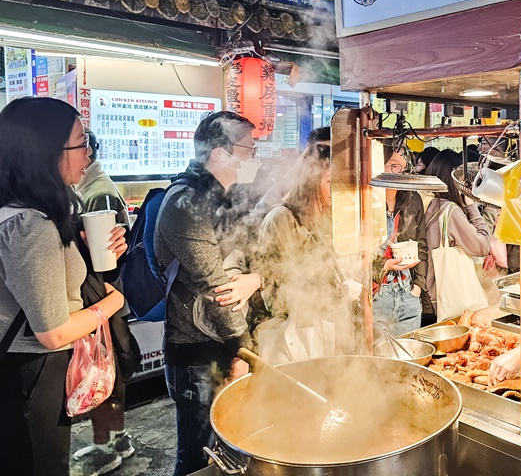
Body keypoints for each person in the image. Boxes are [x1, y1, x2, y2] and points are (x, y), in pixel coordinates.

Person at [0, 97, 126, 476]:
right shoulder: (30, 226)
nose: (89, 151)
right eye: (81, 140)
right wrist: (110, 304)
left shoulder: (29, 213)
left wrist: (86, 252)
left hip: (26, 371)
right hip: (31, 373)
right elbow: (53, 332)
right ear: (47, 152)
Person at [155, 111, 263, 476]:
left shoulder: (226, 197)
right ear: (220, 153)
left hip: (225, 339)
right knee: (197, 455)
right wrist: (243, 350)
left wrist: (258, 278)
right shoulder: (185, 202)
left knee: (229, 448)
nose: (254, 157)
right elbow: (217, 289)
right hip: (197, 350)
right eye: (248, 148)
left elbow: (252, 262)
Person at [254, 143, 363, 361]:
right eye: (331, 182)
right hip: (299, 336)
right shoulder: (281, 219)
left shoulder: (328, 216)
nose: (337, 190)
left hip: (333, 328)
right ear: (310, 182)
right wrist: (339, 293)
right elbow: (278, 292)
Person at [72, 129, 136, 473]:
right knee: (107, 373)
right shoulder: (83, 190)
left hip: (105, 299)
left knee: (107, 375)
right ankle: (114, 441)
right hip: (102, 300)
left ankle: (108, 446)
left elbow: (106, 264)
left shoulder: (98, 193)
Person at [423, 150, 491, 318]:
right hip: (445, 299)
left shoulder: (426, 202)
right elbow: (481, 246)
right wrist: (471, 206)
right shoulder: (450, 210)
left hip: (427, 296)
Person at [373, 145, 430, 335]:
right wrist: (384, 265)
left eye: (403, 168)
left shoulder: (412, 200)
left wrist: (418, 287)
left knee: (408, 358)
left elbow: (422, 244)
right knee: (379, 361)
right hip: (377, 297)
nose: (400, 173)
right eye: (393, 165)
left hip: (408, 293)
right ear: (377, 165)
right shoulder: (365, 202)